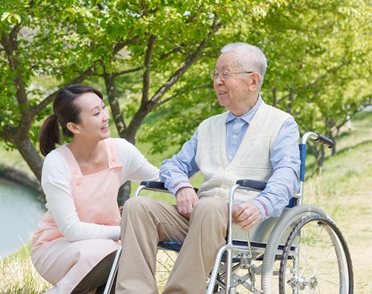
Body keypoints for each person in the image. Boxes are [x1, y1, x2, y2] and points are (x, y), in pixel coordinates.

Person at [115, 42, 301, 294]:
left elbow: (288, 174)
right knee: (137, 207)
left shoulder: (281, 123)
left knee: (210, 206)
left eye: (225, 74)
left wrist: (261, 205)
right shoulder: (208, 126)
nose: (217, 82)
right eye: (215, 74)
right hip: (200, 217)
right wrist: (181, 187)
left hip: (247, 222)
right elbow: (173, 165)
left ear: (253, 81)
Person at [30, 84, 159, 294]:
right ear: (75, 127)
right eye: (96, 113)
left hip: (110, 245)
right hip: (58, 247)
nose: (105, 116)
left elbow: (159, 178)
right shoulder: (57, 162)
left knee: (126, 260)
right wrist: (126, 231)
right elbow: (71, 230)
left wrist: (192, 173)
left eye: (104, 108)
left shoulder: (121, 150)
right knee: (119, 253)